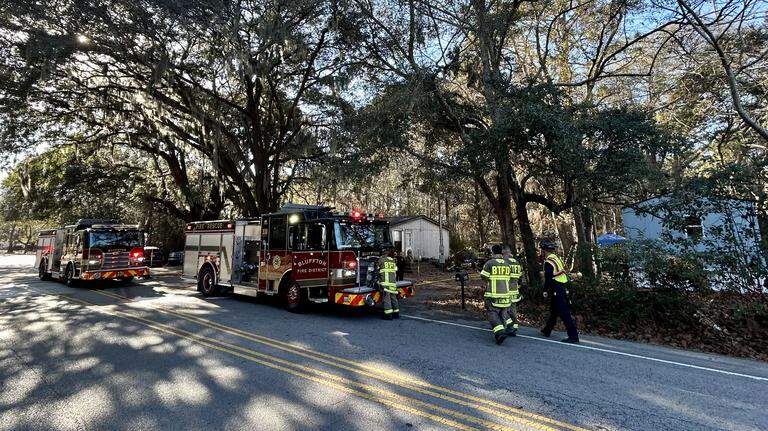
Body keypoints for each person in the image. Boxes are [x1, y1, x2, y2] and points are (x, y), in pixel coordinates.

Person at [539, 240, 579, 343]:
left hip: (557, 288)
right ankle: (547, 330)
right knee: (554, 310)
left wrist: (545, 290)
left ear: (544, 251)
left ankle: (573, 336)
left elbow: (548, 278)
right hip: (562, 286)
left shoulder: (548, 262)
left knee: (564, 313)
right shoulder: (556, 258)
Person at [479, 244, 514, 345]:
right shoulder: (507, 264)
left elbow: (484, 277)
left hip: (493, 296)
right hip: (506, 296)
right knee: (503, 314)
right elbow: (511, 279)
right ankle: (508, 328)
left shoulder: (489, 263)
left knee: (492, 313)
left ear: (492, 252)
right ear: (502, 252)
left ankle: (499, 333)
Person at [502, 245, 523, 337]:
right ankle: (514, 327)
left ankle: (508, 327)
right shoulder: (516, 262)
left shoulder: (505, 262)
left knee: (504, 310)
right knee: (513, 310)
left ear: (504, 252)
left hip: (506, 290)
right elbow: (520, 277)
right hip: (515, 290)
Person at [379, 248, 400, 320]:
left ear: (383, 254)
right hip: (393, 283)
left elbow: (377, 268)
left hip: (386, 284)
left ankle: (388, 315)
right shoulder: (393, 260)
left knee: (387, 299)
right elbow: (396, 270)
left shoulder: (381, 260)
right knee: (393, 298)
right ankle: (396, 313)